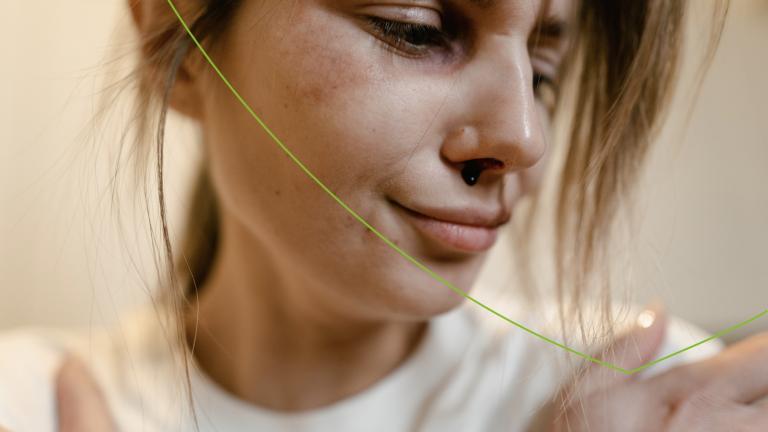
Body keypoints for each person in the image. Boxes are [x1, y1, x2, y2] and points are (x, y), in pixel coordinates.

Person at [1, 0, 767, 431]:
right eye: (416, 30)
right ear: (178, 38)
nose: (525, 139)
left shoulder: (649, 405)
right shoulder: (26, 402)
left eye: (543, 72)